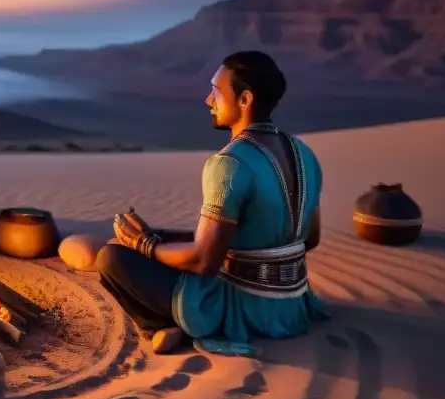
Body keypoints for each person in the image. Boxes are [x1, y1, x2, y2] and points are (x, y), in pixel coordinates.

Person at [98, 50, 329, 356]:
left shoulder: (229, 163)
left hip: (239, 305)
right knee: (171, 239)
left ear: (244, 99)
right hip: (292, 304)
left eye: (216, 92)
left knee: (111, 258)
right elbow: (309, 239)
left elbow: (204, 263)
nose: (209, 101)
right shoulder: (305, 154)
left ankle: (173, 324)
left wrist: (145, 246)